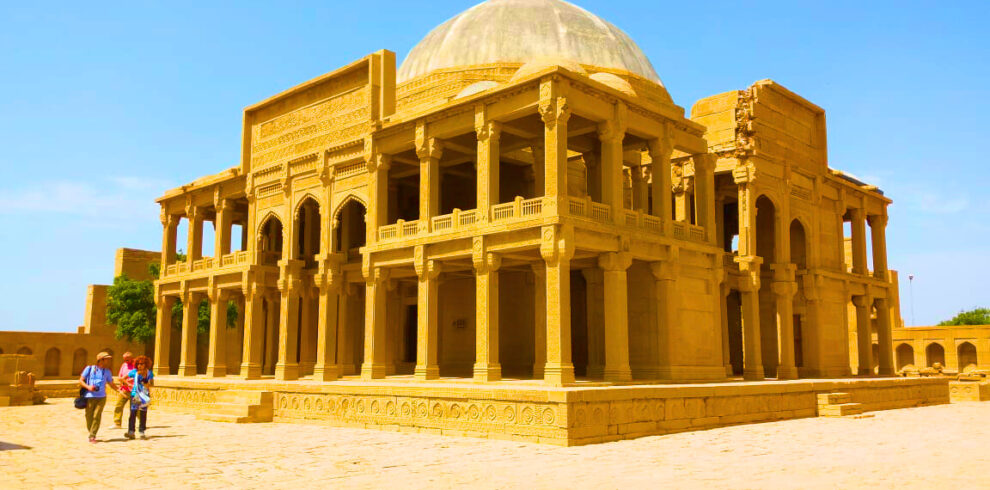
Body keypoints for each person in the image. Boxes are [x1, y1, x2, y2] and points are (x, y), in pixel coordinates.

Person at [78, 352, 119, 443]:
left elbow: (111, 384)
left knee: (97, 415)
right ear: (101, 360)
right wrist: (88, 387)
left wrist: (119, 390)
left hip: (101, 397)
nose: (109, 361)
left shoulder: (107, 371)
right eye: (107, 359)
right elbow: (81, 380)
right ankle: (91, 432)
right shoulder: (89, 369)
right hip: (89, 396)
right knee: (89, 416)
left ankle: (92, 435)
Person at [125, 356, 154, 440]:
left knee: (143, 414)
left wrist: (145, 382)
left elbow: (151, 384)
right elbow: (122, 379)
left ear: (146, 364)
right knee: (133, 413)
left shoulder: (149, 373)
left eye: (142, 364)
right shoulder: (134, 372)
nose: (139, 366)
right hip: (135, 395)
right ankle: (131, 432)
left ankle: (142, 431)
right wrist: (128, 384)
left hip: (144, 395)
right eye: (138, 364)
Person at [113, 352, 135, 428]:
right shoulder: (124, 365)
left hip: (133, 389)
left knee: (135, 408)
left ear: (132, 358)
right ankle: (117, 423)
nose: (126, 361)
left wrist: (128, 381)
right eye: (124, 359)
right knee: (119, 405)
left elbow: (138, 375)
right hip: (124, 389)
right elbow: (120, 375)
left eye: (127, 359)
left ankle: (141, 422)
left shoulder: (136, 365)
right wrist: (121, 381)